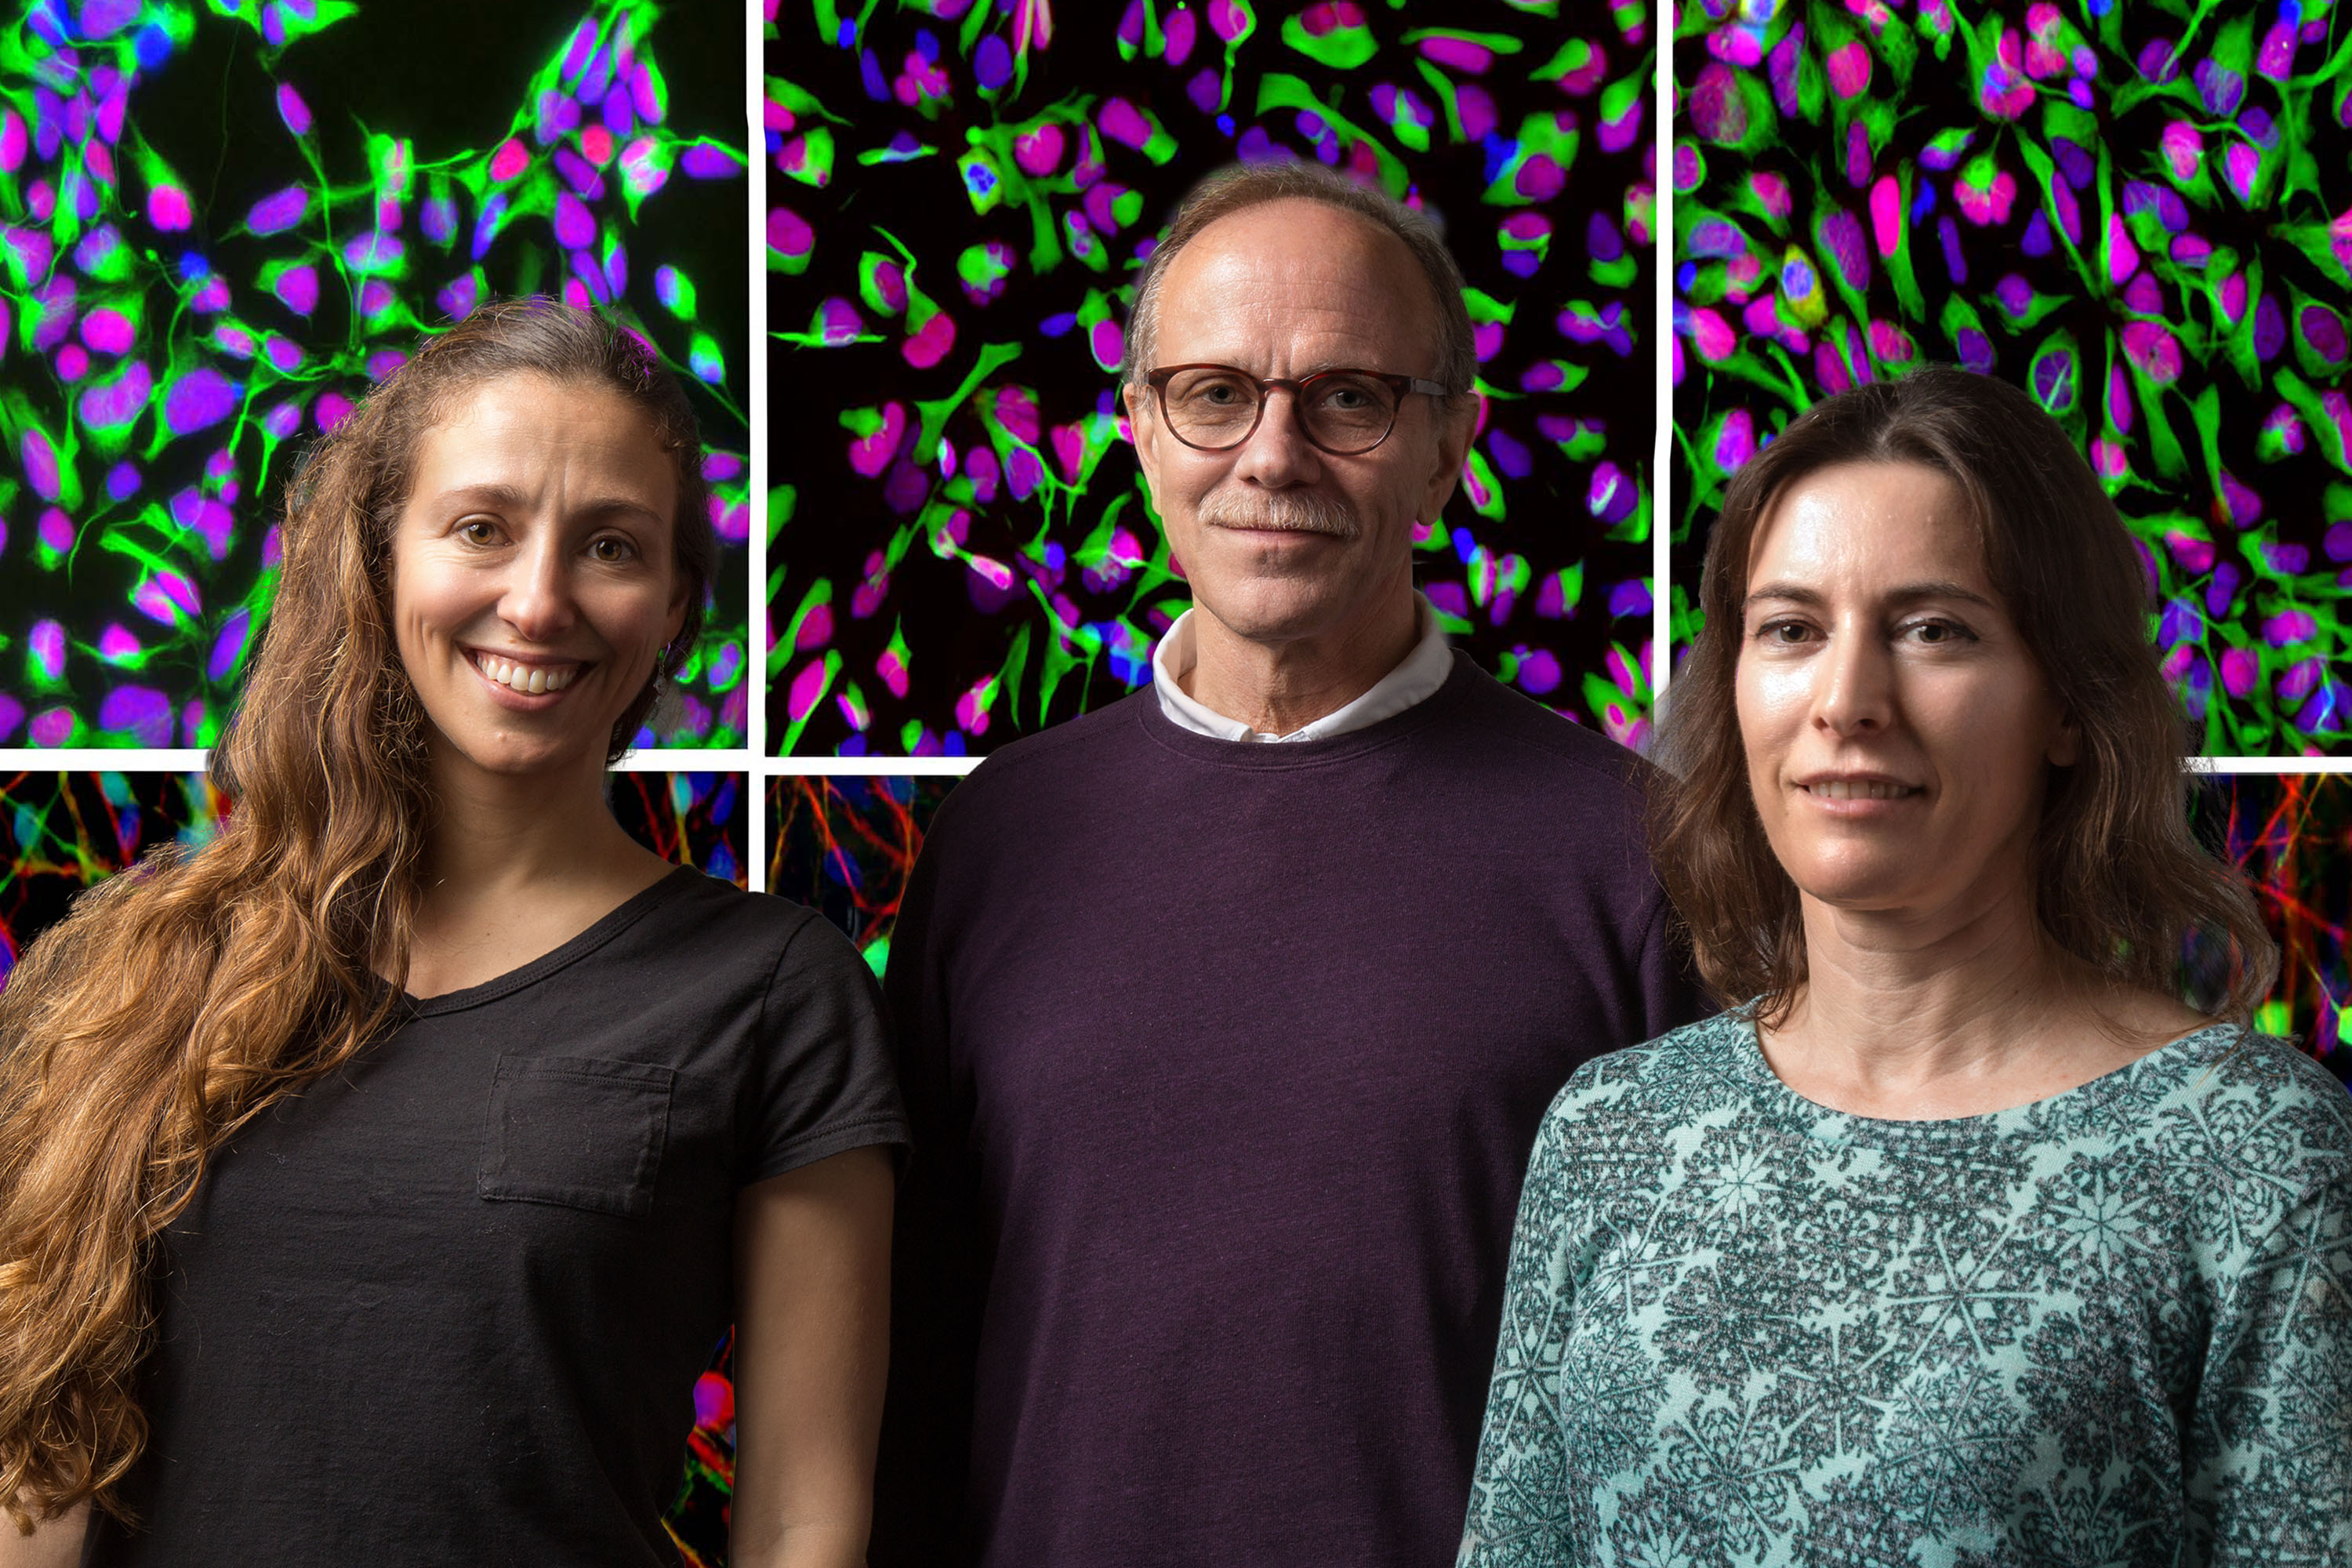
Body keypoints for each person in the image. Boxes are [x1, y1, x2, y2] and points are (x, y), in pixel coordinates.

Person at [871, 162, 1702, 1566]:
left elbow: (1695, 1406)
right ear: (1139, 431)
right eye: (1212, 394)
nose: (1272, 456)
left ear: (1450, 448)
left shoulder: (1636, 855)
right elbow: (915, 1357)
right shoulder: (997, 842)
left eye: (1349, 399)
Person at [0, 301, 906, 1568]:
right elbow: (36, 1458)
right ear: (378, 562)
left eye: (609, 546)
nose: (537, 602)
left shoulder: (770, 992)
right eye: (481, 529)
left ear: (673, 602)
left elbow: (806, 1522)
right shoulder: (142, 965)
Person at [1461, 367, 2352, 1563]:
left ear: (2068, 706)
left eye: (1935, 630)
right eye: (1791, 630)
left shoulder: (2250, 1149)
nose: (1847, 701)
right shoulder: (1615, 1131)